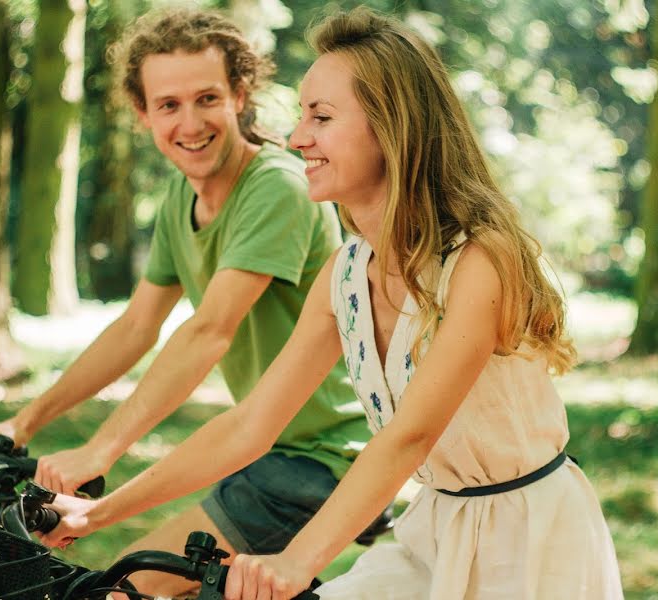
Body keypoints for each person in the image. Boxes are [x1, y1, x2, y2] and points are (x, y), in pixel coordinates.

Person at [40, 7, 624, 599]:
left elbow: (408, 436)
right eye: (301, 115)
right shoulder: (346, 272)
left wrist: (297, 562)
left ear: (392, 127)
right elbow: (249, 425)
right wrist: (98, 513)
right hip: (435, 530)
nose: (297, 138)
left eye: (321, 117)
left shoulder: (479, 260)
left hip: (533, 543)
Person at [0, 7, 370, 598]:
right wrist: (24, 422)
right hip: (260, 446)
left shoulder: (277, 187)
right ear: (142, 114)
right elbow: (136, 326)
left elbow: (209, 331)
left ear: (240, 95)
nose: (191, 123)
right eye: (168, 104)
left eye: (207, 97)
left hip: (319, 456)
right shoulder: (180, 200)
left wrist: (101, 448)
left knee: (125, 586)